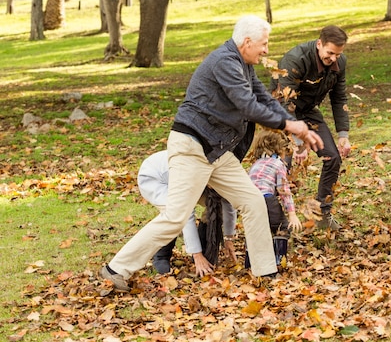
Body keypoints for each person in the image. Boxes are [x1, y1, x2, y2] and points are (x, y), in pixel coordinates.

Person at [99, 15, 323, 291]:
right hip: (193, 147)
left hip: (216, 151)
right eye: (263, 44)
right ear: (247, 42)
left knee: (252, 201)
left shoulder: (243, 64)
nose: (266, 50)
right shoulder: (225, 62)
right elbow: (247, 106)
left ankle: (265, 272)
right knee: (175, 218)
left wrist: (295, 128)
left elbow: (263, 99)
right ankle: (116, 268)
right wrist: (291, 124)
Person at [270, 25, 351, 231]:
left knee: (332, 157)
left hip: (308, 112)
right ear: (319, 44)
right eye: (330, 53)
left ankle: (322, 212)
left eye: (338, 54)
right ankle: (276, 219)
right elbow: (283, 103)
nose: (333, 58)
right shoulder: (295, 60)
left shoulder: (339, 62)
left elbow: (339, 98)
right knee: (283, 165)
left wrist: (343, 135)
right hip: (281, 115)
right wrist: (298, 141)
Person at [247, 128, 302, 268]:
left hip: (250, 201)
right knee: (281, 227)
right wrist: (292, 214)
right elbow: (283, 190)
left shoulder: (255, 165)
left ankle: (250, 262)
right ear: (279, 149)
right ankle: (279, 261)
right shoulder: (278, 164)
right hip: (267, 199)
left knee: (255, 231)